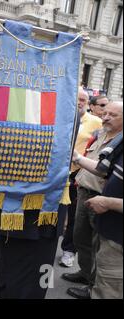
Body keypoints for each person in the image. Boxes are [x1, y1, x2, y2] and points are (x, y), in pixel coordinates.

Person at [62, 101, 123, 299]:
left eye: (113, 115)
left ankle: (92, 284)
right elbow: (100, 168)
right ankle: (87, 274)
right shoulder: (100, 134)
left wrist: (107, 201)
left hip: (103, 203)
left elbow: (103, 171)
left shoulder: (119, 142)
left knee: (100, 249)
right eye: (105, 113)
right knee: (81, 238)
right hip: (85, 194)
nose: (106, 117)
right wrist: (77, 158)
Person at [59, 89, 102, 268]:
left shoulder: (96, 123)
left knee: (74, 217)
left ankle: (68, 251)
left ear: (88, 103)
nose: (79, 102)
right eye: (77, 99)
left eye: (83, 99)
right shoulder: (60, 116)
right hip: (57, 171)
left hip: (78, 173)